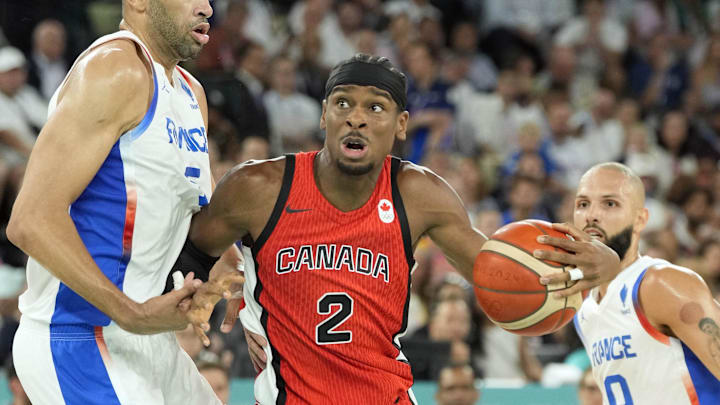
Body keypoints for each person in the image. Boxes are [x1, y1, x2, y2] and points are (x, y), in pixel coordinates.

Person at [184, 53, 620, 404]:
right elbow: (187, 257)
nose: (356, 118)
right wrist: (221, 287)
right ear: (323, 117)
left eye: (375, 107)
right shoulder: (259, 188)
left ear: (401, 124)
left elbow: (503, 276)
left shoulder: (419, 194)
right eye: (342, 103)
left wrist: (597, 269)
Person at [6, 0, 242, 404]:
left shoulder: (191, 93)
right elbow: (30, 220)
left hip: (152, 340)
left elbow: (196, 220)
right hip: (80, 339)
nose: (206, 8)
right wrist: (131, 312)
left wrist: (234, 281)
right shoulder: (114, 68)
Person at [540, 162, 720, 404]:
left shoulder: (661, 283)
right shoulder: (584, 310)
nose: (592, 214)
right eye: (583, 204)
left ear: (640, 220)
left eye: (610, 203)